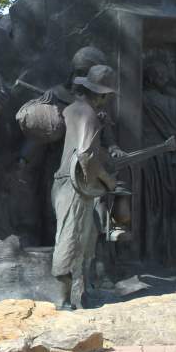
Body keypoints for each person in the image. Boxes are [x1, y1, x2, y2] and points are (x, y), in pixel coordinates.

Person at [52, 64, 117, 309]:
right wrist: (108, 181)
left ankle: (78, 297)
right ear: (101, 95)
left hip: (64, 184)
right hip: (75, 188)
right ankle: (63, 302)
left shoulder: (72, 109)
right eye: (106, 96)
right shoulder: (88, 114)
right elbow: (86, 155)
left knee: (83, 240)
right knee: (71, 241)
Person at [140, 55, 176, 268]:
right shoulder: (172, 103)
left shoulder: (138, 99)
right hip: (168, 162)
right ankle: (171, 257)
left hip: (145, 162)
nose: (165, 78)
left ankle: (150, 256)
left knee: (150, 208)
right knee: (169, 209)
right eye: (162, 75)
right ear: (154, 78)